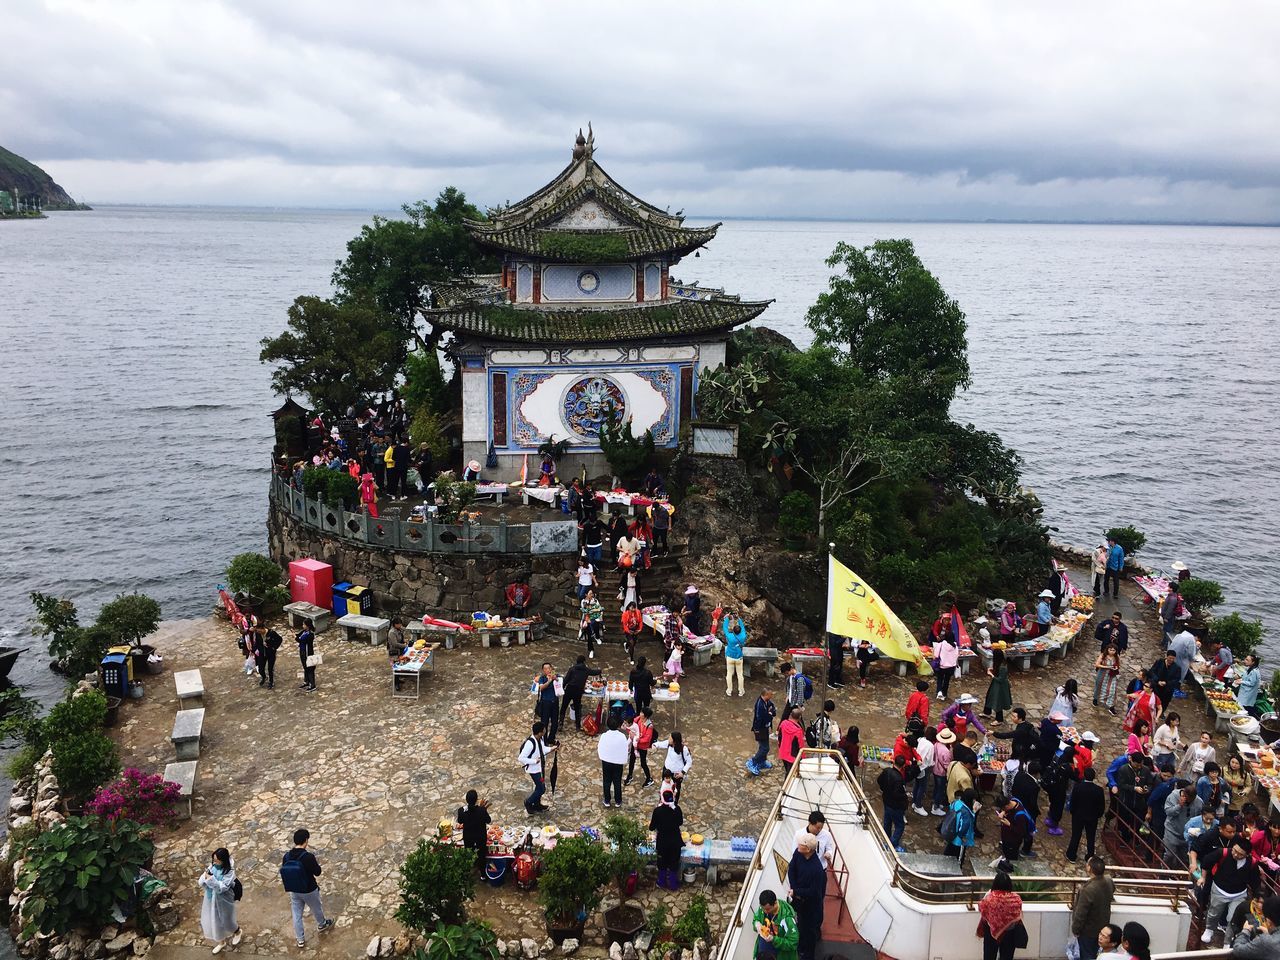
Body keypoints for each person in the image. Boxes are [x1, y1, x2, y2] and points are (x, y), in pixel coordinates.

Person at [1200, 835, 1260, 945]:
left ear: (1247, 855)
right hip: (1219, 889)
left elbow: (1255, 882)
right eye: (1234, 851)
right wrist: (1203, 877)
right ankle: (1209, 929)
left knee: (1233, 918)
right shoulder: (1222, 853)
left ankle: (1227, 941)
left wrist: (1256, 898)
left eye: (1240, 854)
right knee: (1214, 912)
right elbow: (1206, 862)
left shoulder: (1252, 863)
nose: (1236, 854)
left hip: (1239, 894)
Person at [280, 828, 334, 948]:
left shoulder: (286, 856)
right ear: (306, 840)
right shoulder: (308, 857)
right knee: (316, 907)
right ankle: (322, 924)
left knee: (296, 914)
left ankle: (300, 939)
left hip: (294, 889)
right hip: (309, 889)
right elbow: (318, 872)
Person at [787, 833, 827, 960]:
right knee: (800, 925)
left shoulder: (816, 869)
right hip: (798, 898)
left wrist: (796, 892)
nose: (798, 844)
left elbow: (814, 892)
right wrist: (794, 888)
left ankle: (808, 955)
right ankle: (800, 947)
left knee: (809, 931)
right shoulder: (798, 853)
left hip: (811, 905)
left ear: (808, 849)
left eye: (801, 844)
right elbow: (791, 869)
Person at [1071, 857, 1115, 960]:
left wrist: (1075, 930)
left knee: (1087, 955)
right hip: (1103, 927)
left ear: (1089, 868)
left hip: (1088, 932)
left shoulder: (1088, 890)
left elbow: (1080, 914)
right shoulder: (1108, 880)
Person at [198, 848, 240, 953]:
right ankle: (221, 942)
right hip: (211, 898)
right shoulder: (213, 866)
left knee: (227, 920)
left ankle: (237, 931)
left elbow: (222, 888)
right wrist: (206, 878)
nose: (214, 863)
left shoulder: (230, 872)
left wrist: (210, 879)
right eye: (214, 860)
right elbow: (202, 879)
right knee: (214, 920)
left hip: (224, 900)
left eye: (217, 861)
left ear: (223, 860)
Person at [976, 870, 1024, 960]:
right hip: (1010, 934)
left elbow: (981, 908)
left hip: (990, 933)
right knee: (1007, 957)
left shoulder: (989, 897)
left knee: (989, 957)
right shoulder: (1016, 898)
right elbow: (1018, 914)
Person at [1067, 767, 1107, 863]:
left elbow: (1073, 801)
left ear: (1084, 776)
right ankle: (1090, 856)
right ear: (1094, 777)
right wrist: (1097, 815)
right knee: (1091, 837)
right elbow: (1101, 806)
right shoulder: (1098, 790)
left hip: (1078, 816)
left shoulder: (1078, 787)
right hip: (1092, 817)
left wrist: (1073, 812)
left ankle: (1071, 855)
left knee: (1076, 835)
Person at [518, 721, 556, 815]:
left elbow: (542, 749)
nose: (545, 731)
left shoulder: (540, 739)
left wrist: (552, 748)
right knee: (541, 788)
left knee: (539, 786)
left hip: (539, 768)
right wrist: (534, 761)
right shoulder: (530, 744)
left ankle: (537, 804)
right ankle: (529, 802)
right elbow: (521, 758)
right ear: (539, 732)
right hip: (534, 769)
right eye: (543, 730)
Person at [752, 889, 799, 960]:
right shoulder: (764, 908)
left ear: (775, 903)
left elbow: (793, 943)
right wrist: (756, 924)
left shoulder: (787, 919)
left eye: (767, 909)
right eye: (762, 908)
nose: (765, 912)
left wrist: (774, 939)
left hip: (780, 954)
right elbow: (756, 918)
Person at [1162, 786, 1203, 868]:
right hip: (1172, 830)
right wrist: (1179, 806)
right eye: (1187, 798)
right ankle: (1164, 873)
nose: (1189, 801)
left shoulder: (1199, 802)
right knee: (1170, 855)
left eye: (1192, 799)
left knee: (1184, 858)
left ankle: (1177, 875)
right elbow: (1168, 812)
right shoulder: (1173, 796)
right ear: (1183, 793)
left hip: (1187, 833)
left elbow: (1199, 818)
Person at [877, 755, 910, 852]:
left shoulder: (887, 771)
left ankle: (887, 841)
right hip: (896, 806)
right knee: (900, 826)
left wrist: (885, 790)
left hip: (886, 801)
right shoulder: (899, 779)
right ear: (903, 766)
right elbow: (898, 794)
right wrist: (905, 798)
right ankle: (892, 845)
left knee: (887, 822)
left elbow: (879, 780)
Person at [560, 655, 602, 731]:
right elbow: (594, 672)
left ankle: (560, 723)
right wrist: (600, 671)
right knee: (577, 708)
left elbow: (565, 680)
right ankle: (578, 726)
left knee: (564, 707)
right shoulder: (586, 670)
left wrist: (561, 689)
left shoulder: (572, 669)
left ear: (577, 661)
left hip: (569, 690)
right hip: (578, 691)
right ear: (584, 661)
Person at [599, 714, 629, 808]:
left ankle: (607, 800)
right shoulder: (622, 737)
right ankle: (618, 801)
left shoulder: (604, 736)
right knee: (617, 781)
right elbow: (625, 749)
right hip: (618, 763)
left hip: (606, 762)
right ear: (618, 725)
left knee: (606, 781)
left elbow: (600, 747)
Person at [944, 787, 978, 867]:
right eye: (974, 799)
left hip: (951, 833)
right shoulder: (966, 813)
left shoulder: (956, 803)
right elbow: (964, 827)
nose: (975, 801)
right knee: (959, 856)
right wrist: (962, 837)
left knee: (949, 849)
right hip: (959, 840)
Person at [655, 731, 693, 802]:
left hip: (676, 774)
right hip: (666, 771)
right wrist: (654, 745)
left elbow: (689, 762)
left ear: (674, 740)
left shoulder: (683, 749)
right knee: (665, 786)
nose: (669, 739)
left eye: (670, 738)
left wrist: (682, 772)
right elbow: (660, 744)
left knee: (676, 789)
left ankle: (674, 803)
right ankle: (663, 801)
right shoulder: (669, 744)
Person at [457, 790, 491, 868]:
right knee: (482, 855)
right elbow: (488, 820)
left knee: (469, 853)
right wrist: (483, 809)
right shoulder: (482, 810)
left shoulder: (461, 811)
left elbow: (460, 821)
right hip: (480, 837)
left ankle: (469, 869)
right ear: (476, 800)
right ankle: (483, 875)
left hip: (468, 837)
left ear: (466, 800)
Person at [625, 705, 656, 787]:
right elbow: (629, 725)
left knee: (643, 763)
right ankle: (630, 775)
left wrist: (635, 739)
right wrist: (630, 733)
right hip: (635, 744)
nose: (640, 713)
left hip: (642, 747)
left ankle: (649, 778)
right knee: (632, 760)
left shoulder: (650, 726)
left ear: (645, 715)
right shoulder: (638, 719)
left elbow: (647, 739)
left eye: (642, 712)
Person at [998, 796, 1035, 862]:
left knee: (1011, 857)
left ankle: (1009, 865)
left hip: (1012, 840)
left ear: (1006, 806)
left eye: (1003, 808)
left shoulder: (1020, 816)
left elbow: (1021, 832)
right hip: (1006, 836)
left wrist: (1009, 824)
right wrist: (1003, 812)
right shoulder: (1013, 800)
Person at [533, 662, 560, 745]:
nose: (547, 670)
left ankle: (551, 738)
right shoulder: (542, 678)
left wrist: (555, 679)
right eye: (545, 669)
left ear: (551, 669)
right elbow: (541, 688)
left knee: (555, 722)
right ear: (543, 670)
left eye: (549, 668)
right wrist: (549, 681)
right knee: (545, 722)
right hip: (545, 703)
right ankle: (544, 741)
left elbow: (560, 682)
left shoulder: (555, 676)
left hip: (555, 702)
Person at [912, 727, 936, 816]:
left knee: (916, 784)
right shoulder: (931, 746)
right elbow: (929, 760)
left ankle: (914, 802)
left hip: (916, 765)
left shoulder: (920, 739)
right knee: (922, 787)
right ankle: (918, 805)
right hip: (924, 767)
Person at [1093, 643, 1122, 713]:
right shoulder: (1103, 655)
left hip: (1112, 675)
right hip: (1102, 674)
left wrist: (1116, 668)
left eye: (1113, 650)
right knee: (1099, 687)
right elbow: (1097, 664)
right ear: (1107, 649)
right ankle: (1096, 699)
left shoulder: (1117, 657)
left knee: (1112, 690)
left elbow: (1119, 665)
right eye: (1110, 650)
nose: (1112, 652)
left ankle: (1111, 706)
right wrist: (1107, 667)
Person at [983, 653, 1012, 723]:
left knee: (998, 701)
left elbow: (1000, 679)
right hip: (995, 684)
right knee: (989, 697)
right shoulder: (999, 664)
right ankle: (987, 713)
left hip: (1000, 687)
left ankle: (999, 719)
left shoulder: (1003, 667)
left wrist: (991, 674)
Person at [723, 614, 748, 696]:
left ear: (733, 631)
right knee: (740, 674)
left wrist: (727, 619)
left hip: (730, 656)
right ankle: (741, 691)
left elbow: (725, 628)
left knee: (729, 674)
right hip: (739, 657)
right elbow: (743, 628)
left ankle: (729, 691)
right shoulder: (743, 636)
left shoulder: (730, 636)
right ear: (740, 631)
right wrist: (739, 619)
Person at [254, 624, 282, 690]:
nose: (259, 633)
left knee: (270, 668)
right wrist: (256, 649)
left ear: (263, 628)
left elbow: (279, 639)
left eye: (260, 631)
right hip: (261, 653)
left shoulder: (271, 633)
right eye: (258, 631)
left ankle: (271, 682)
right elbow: (257, 643)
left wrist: (274, 647)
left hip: (270, 653)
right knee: (261, 668)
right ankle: (263, 677)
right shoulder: (257, 634)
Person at [779, 708, 805, 776]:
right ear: (799, 717)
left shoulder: (783, 723)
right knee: (791, 775)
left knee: (787, 771)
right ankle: (786, 786)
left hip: (783, 752)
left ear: (791, 715)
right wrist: (803, 758)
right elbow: (800, 746)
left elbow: (779, 737)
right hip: (792, 757)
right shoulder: (798, 731)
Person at [1237, 654, 1264, 719]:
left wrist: (1241, 682)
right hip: (1244, 691)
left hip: (1249, 693)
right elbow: (1246, 677)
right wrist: (1240, 679)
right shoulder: (1249, 668)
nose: (1245, 661)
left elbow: (1252, 683)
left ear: (1253, 662)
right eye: (1245, 659)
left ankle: (1249, 719)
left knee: (1246, 707)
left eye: (1247, 660)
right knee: (1243, 705)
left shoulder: (1254, 671)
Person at [934, 629, 959, 701]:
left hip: (942, 665)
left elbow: (936, 655)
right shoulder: (955, 646)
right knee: (947, 680)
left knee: (940, 678)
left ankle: (939, 692)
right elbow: (957, 656)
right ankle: (944, 694)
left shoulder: (941, 644)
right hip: (951, 666)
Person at [580, 589, 604, 658]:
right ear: (586, 595)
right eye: (590, 593)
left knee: (595, 623)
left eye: (592, 593)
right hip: (587, 619)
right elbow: (585, 611)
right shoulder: (583, 602)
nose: (591, 595)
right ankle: (591, 650)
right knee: (589, 635)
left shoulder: (595, 601)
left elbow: (598, 609)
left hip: (595, 618)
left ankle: (597, 636)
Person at [296, 619, 317, 692]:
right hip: (302, 651)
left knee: (309, 669)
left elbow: (301, 640)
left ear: (307, 626)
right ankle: (306, 681)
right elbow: (298, 636)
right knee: (305, 667)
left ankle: (312, 684)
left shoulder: (310, 634)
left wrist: (296, 638)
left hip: (308, 653)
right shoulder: (304, 632)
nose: (303, 626)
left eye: (304, 624)